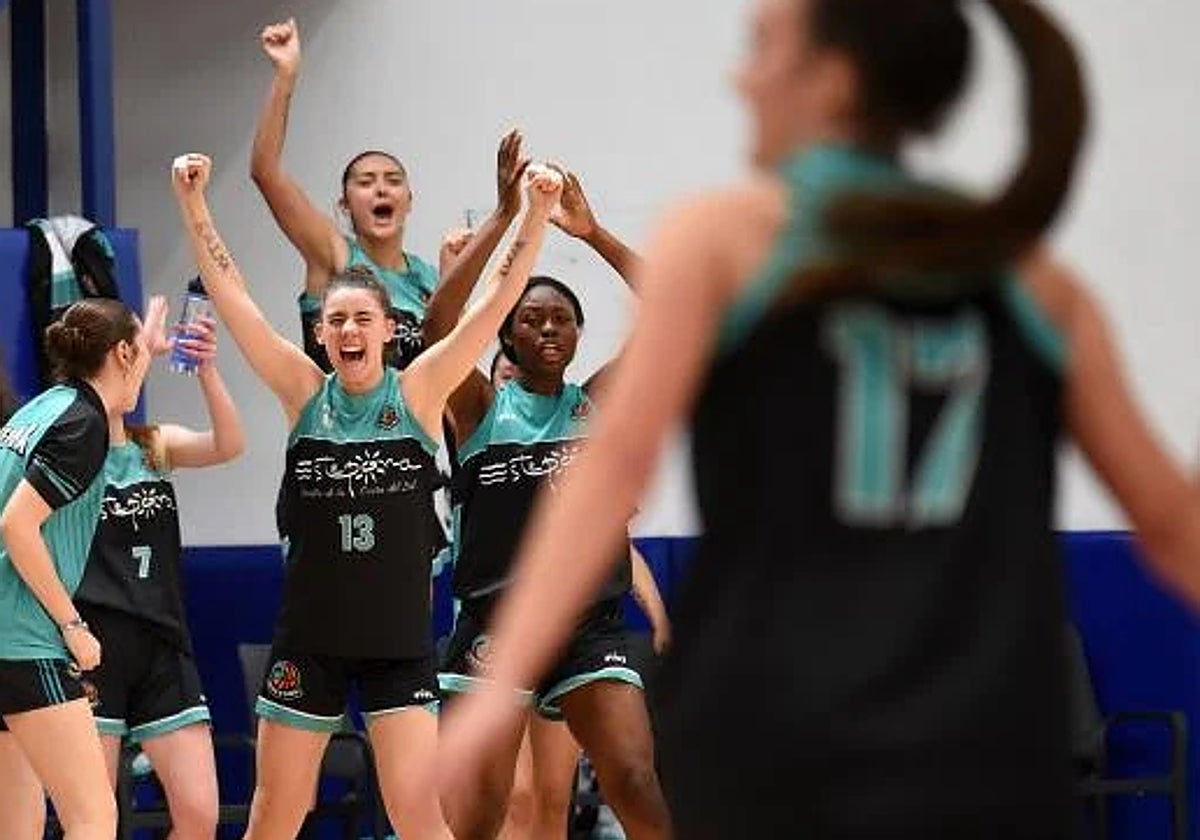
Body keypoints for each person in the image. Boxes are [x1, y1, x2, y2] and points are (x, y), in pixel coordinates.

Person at [434, 0, 1200, 836]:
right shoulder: (1031, 273)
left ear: (834, 82)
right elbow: (1169, 520)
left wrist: (497, 679)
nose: (740, 75)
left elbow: (610, 476)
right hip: (989, 737)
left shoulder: (725, 238)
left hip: (787, 727)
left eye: (762, 47)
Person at [171, 151, 563, 840]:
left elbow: (495, 300)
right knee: (275, 815)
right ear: (321, 335)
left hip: (396, 644)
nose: (348, 331)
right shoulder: (303, 393)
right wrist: (194, 204)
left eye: (361, 319)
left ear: (388, 329)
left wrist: (533, 215)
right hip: (311, 640)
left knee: (419, 817)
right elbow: (235, 303)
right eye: (336, 321)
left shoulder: (417, 391)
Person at [429, 170, 670, 839]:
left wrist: (590, 233)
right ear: (507, 339)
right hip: (494, 629)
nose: (547, 328)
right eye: (531, 319)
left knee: (634, 778)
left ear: (578, 333)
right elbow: (438, 327)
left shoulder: (595, 404)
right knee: (481, 818)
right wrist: (505, 218)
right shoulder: (478, 408)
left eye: (561, 318)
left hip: (587, 623)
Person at [251, 19, 524, 372]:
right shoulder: (335, 256)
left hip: (417, 426)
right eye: (365, 182)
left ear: (409, 199)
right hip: (340, 424)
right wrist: (286, 75)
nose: (381, 188)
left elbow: (456, 357)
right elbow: (265, 173)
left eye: (392, 180)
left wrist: (449, 276)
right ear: (344, 205)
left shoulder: (426, 277)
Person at [485, 350, 672, 840]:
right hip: (496, 638)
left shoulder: (574, 454)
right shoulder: (480, 449)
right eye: (503, 376)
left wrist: (658, 615)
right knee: (515, 799)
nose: (515, 384)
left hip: (572, 636)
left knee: (552, 797)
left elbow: (618, 546)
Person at [0, 296, 163, 840]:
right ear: (121, 352)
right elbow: (16, 526)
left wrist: (149, 345)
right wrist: (73, 625)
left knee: (16, 825)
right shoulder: (81, 425)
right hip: (26, 641)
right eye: (138, 351)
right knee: (94, 818)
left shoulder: (40, 410)